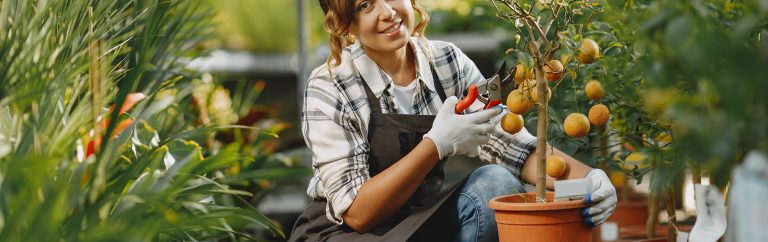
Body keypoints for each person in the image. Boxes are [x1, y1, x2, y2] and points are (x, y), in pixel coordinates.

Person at [289, 0, 617, 241]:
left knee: (495, 184)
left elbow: (513, 146)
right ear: (345, 24)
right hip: (345, 234)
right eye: (365, 5)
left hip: (420, 223)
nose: (387, 12)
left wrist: (589, 182)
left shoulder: (447, 63)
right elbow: (358, 214)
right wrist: (436, 144)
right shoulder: (331, 86)